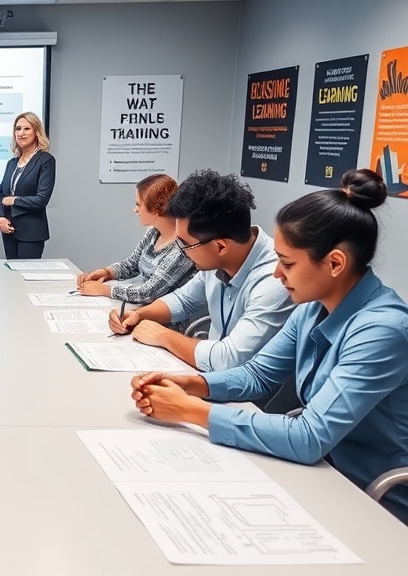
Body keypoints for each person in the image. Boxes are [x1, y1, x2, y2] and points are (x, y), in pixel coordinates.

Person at [130, 169, 408, 524]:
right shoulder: (313, 306)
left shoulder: (381, 331)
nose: (277, 274)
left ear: (335, 263)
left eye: (287, 263)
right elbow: (258, 375)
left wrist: (190, 411)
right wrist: (192, 385)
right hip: (322, 475)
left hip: (374, 502)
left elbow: (309, 437)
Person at [109, 169, 295, 371]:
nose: (181, 251)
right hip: (207, 375)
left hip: (246, 396)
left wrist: (162, 336)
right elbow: (183, 300)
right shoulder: (217, 257)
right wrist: (139, 315)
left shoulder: (274, 280)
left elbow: (227, 359)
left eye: (185, 244)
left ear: (220, 247)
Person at [76, 174, 195, 304]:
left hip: (162, 320)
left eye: (138, 204)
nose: (135, 210)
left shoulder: (182, 247)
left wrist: (105, 290)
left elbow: (148, 292)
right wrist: (107, 272)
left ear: (156, 210)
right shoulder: (153, 232)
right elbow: (131, 264)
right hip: (138, 308)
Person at [0, 111, 56, 259]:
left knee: (26, 278)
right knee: (11, 276)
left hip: (31, 232)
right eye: (18, 128)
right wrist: (0, 218)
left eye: (26, 129)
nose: (21, 133)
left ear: (36, 131)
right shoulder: (12, 163)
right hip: (9, 230)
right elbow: (0, 195)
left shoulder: (45, 161)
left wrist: (14, 200)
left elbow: (41, 199)